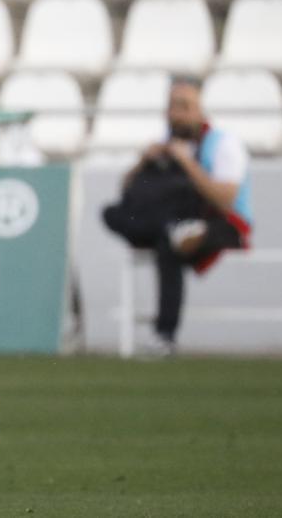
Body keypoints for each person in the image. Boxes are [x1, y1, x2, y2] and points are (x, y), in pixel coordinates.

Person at [102, 77, 252, 356]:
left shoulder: (222, 144)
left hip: (224, 224)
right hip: (176, 220)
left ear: (200, 110)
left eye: (185, 106)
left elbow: (225, 200)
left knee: (168, 244)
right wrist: (143, 161)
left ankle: (164, 335)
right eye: (172, 106)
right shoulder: (164, 145)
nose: (177, 114)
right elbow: (127, 192)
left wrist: (186, 162)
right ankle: (169, 231)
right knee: (115, 215)